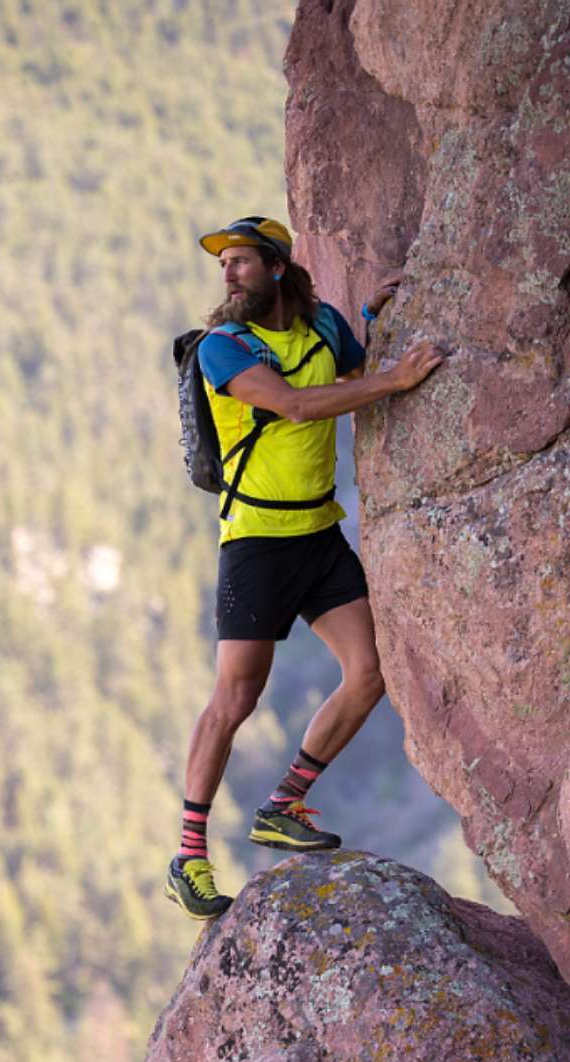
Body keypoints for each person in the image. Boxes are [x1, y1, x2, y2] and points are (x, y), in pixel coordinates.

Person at [165, 214, 444, 921]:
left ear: (279, 268)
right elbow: (292, 404)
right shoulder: (222, 349)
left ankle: (283, 802)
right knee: (235, 698)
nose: (228, 274)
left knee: (370, 672)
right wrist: (397, 382)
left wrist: (372, 316)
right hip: (255, 542)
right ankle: (189, 856)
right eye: (223, 264)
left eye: (242, 262)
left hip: (317, 535)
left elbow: (345, 363)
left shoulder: (320, 326)